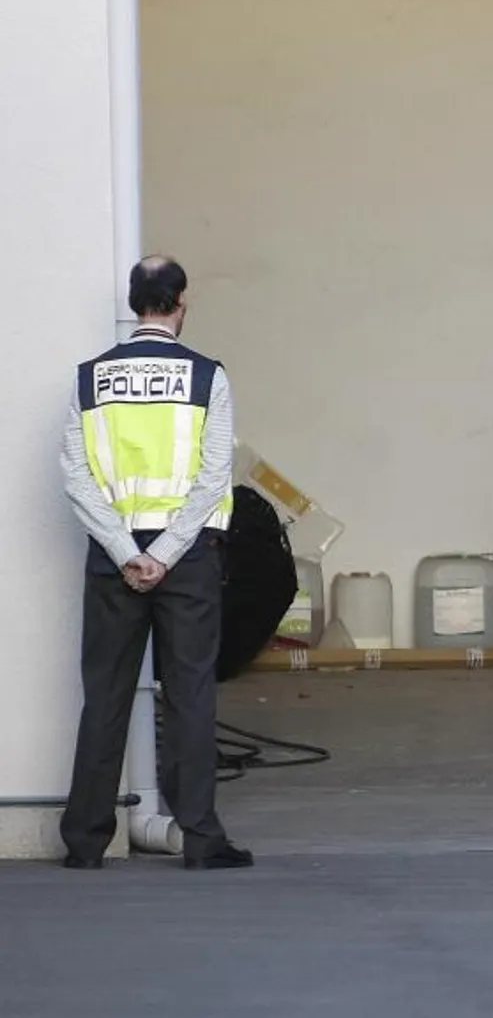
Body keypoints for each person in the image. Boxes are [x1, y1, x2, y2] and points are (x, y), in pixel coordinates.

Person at [58, 255, 252, 870]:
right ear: (181, 302)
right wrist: (165, 555)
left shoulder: (91, 379)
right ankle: (200, 840)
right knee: (189, 695)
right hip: (186, 556)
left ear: (133, 301)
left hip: (113, 558)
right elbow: (213, 472)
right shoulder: (206, 378)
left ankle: (86, 844)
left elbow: (77, 476)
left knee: (105, 696)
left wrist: (126, 552)